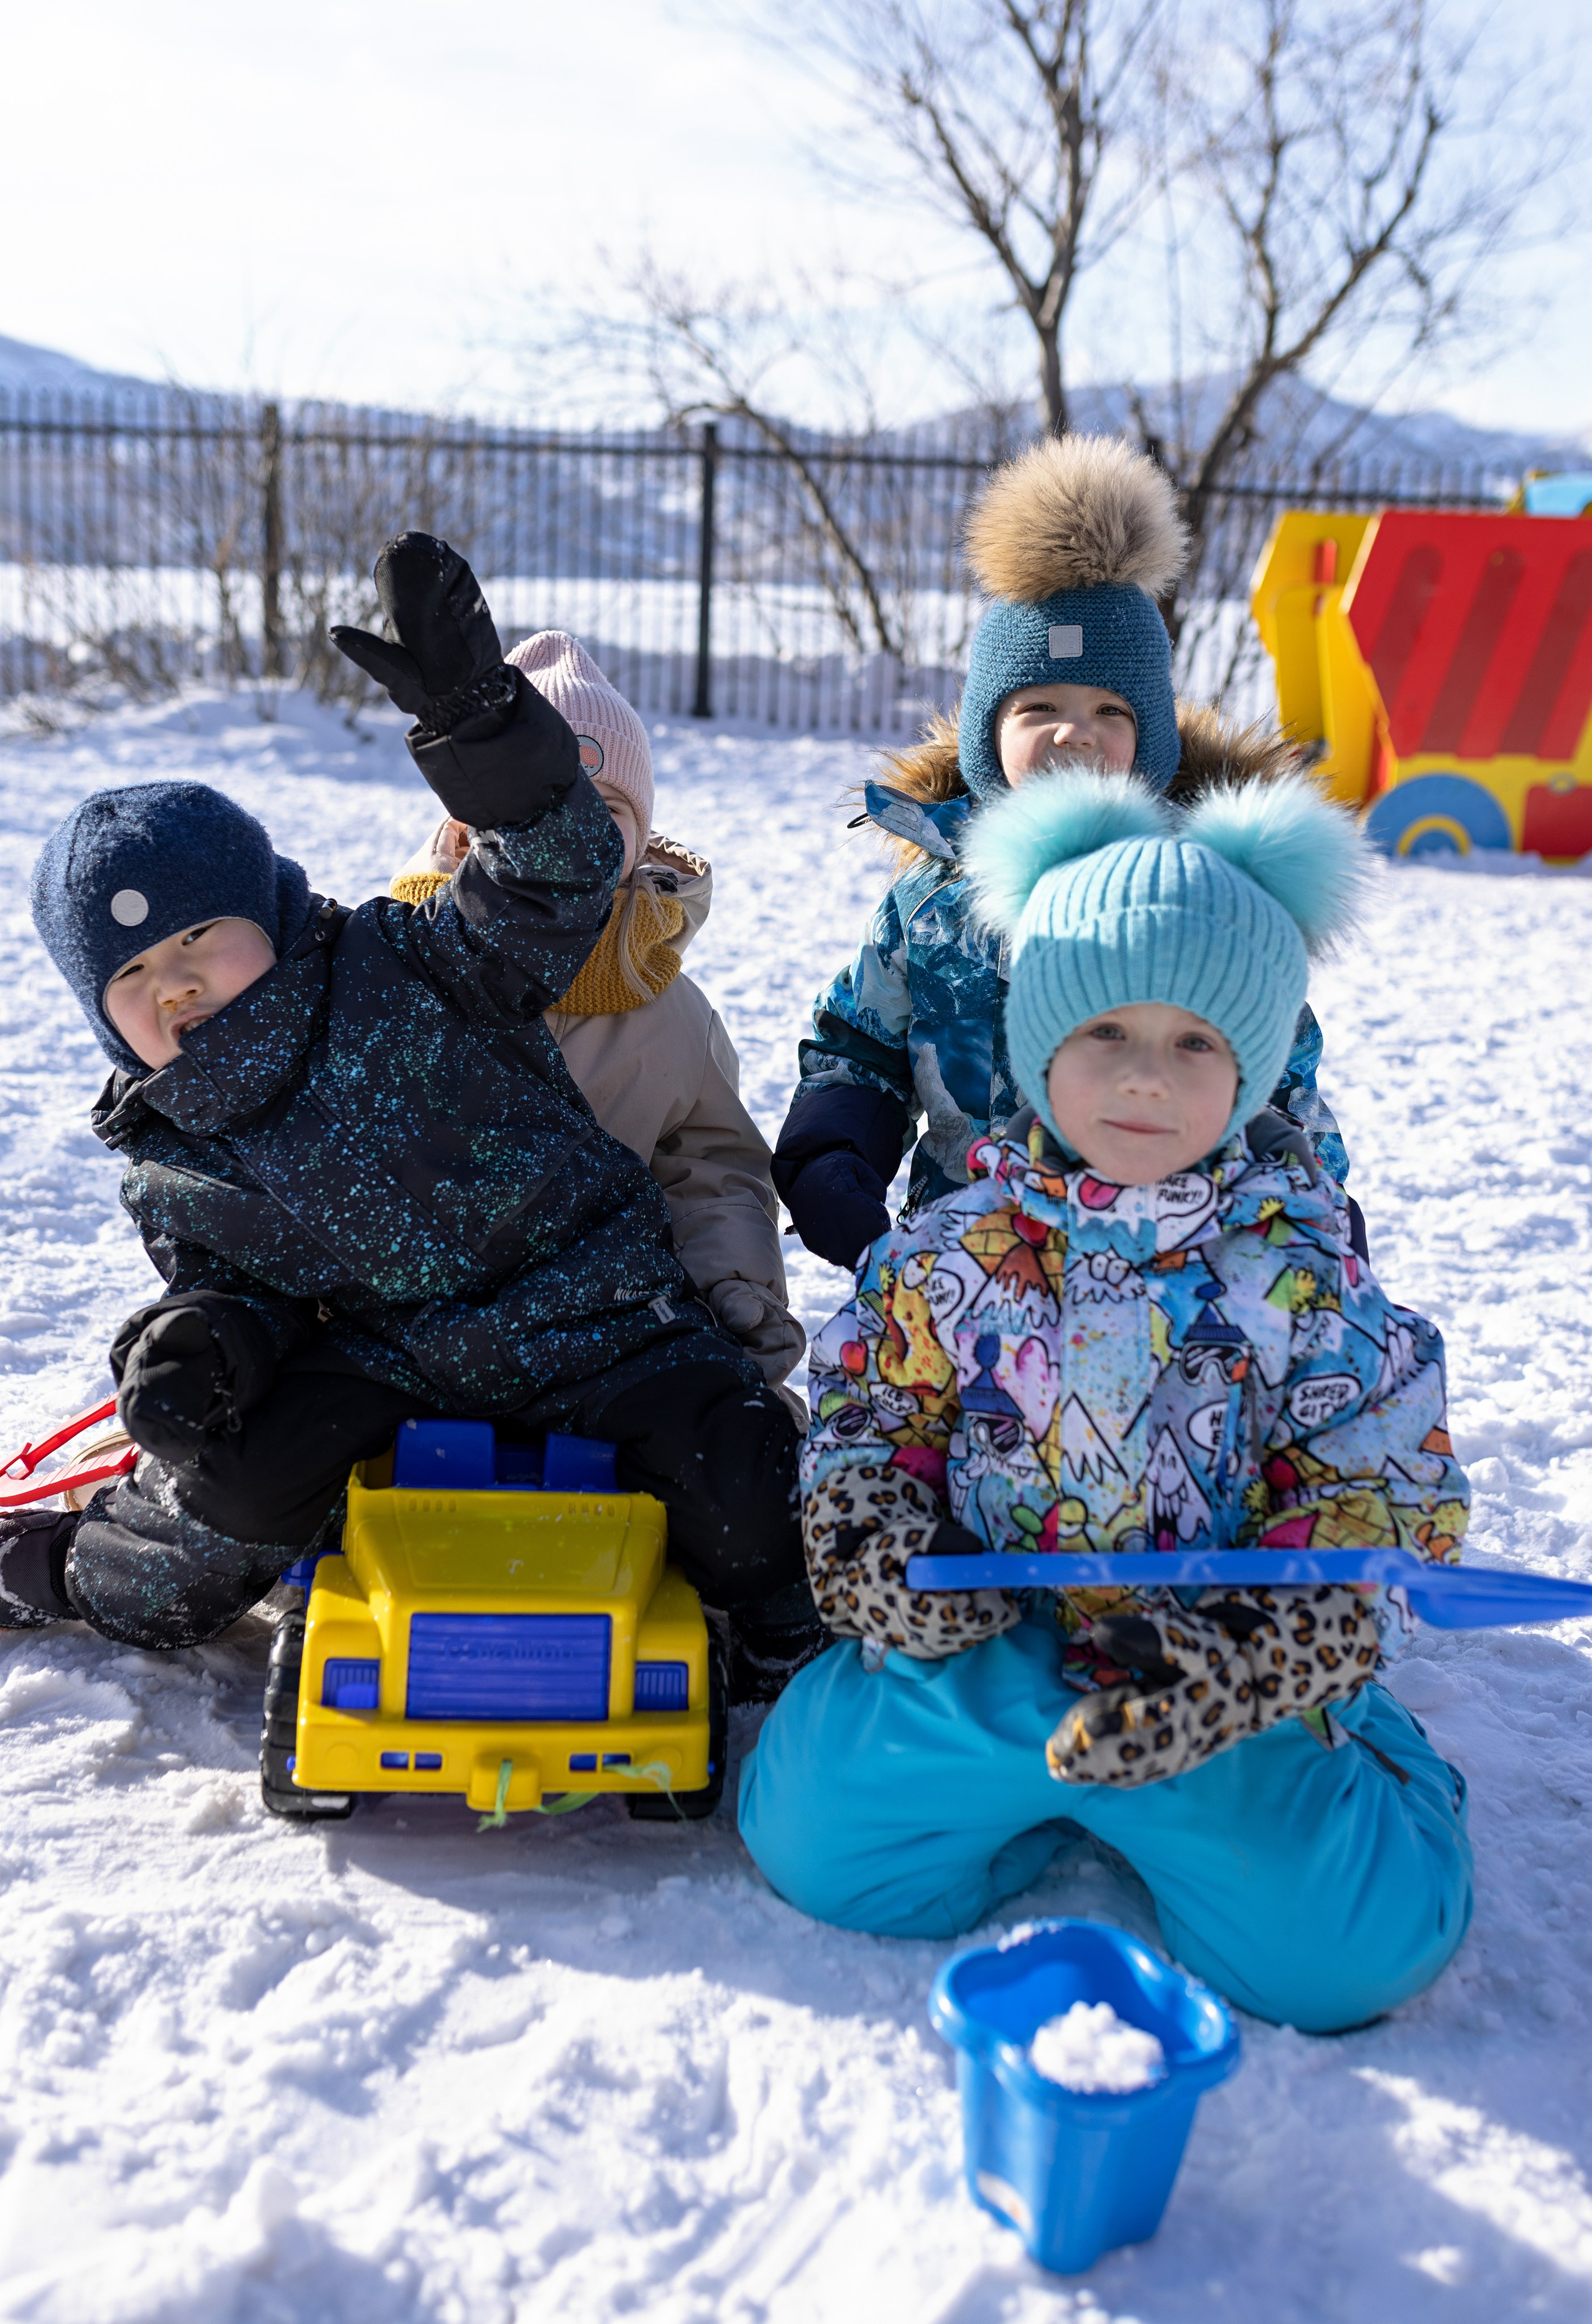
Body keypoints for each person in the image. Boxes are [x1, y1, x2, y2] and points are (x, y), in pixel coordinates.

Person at [2, 533, 820, 1697]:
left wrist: (491, 736)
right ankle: (63, 1567)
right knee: (227, 1485)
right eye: (132, 976)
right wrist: (204, 1343)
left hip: (598, 1311)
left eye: (198, 938)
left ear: (276, 912)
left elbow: (556, 875)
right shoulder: (172, 1136)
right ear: (102, 1017)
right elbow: (234, 1282)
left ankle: (788, 1623)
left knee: (740, 1475)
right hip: (384, 1355)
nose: (175, 983)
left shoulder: (408, 958)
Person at [739, 765, 1473, 2035]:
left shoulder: (1299, 1279)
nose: (1145, 1079)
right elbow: (871, 1413)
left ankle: (1352, 1774)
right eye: (1104, 1034)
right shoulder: (947, 1256)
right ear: (1037, 1046)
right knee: (812, 1847)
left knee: (1342, 1958)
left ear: (1248, 1071)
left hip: (1207, 1695)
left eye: (1195, 1043)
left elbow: (1376, 1487)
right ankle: (1025, 1788)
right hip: (987, 1658)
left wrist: (1260, 1653)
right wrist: (871, 1536)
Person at [772, 433, 1361, 1276]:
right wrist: (835, 1149)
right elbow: (865, 1044)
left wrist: (1311, 1204)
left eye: (1111, 711)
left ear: (1151, 738)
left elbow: (1276, 1073)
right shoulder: (936, 898)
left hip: (1170, 1270)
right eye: (1037, 704)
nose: (1073, 731)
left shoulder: (1200, 896)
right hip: (967, 1264)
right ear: (986, 734)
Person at [389, 628, 806, 1424]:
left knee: (754, 1456)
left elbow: (713, 1172)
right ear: (460, 832)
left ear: (643, 836)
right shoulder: (399, 969)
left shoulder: (669, 1011)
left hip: (609, 1331)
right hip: (419, 1330)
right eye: (531, 807)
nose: (567, 832)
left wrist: (732, 1290)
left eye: (603, 809)